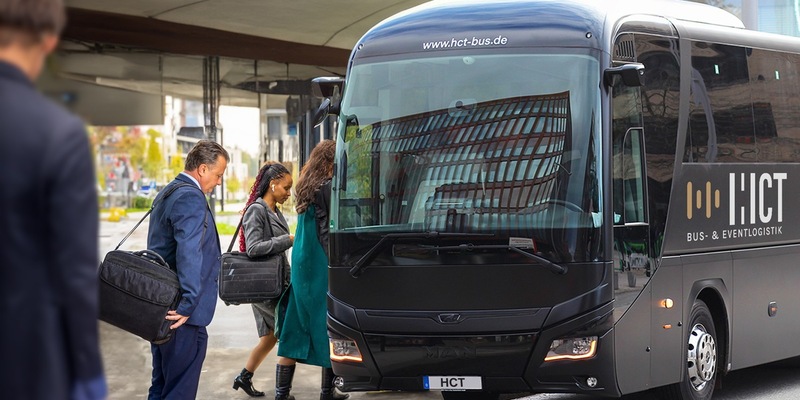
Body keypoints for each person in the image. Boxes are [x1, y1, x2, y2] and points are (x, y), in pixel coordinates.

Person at [0, 1, 107, 399]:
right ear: (47, 40)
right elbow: (74, 274)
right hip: (25, 362)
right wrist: (87, 373)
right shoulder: (56, 133)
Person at [147, 139, 229, 399]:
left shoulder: (169, 191)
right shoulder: (190, 197)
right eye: (218, 175)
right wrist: (188, 304)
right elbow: (188, 252)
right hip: (181, 313)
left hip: (163, 307)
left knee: (162, 385)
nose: (219, 182)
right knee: (179, 389)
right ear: (203, 169)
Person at [274, 140, 348, 400]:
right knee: (327, 323)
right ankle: (328, 392)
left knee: (295, 323)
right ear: (330, 162)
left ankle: (281, 393)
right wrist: (337, 261)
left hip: (302, 259)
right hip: (318, 259)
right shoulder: (328, 187)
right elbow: (326, 230)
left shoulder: (305, 186)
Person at [232, 161, 294, 397]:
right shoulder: (256, 210)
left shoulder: (274, 210)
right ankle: (282, 392)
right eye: (286, 188)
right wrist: (287, 240)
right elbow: (254, 248)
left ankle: (244, 377)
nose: (289, 193)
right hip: (265, 286)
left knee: (270, 337)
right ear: (273, 184)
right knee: (289, 332)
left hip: (274, 282)